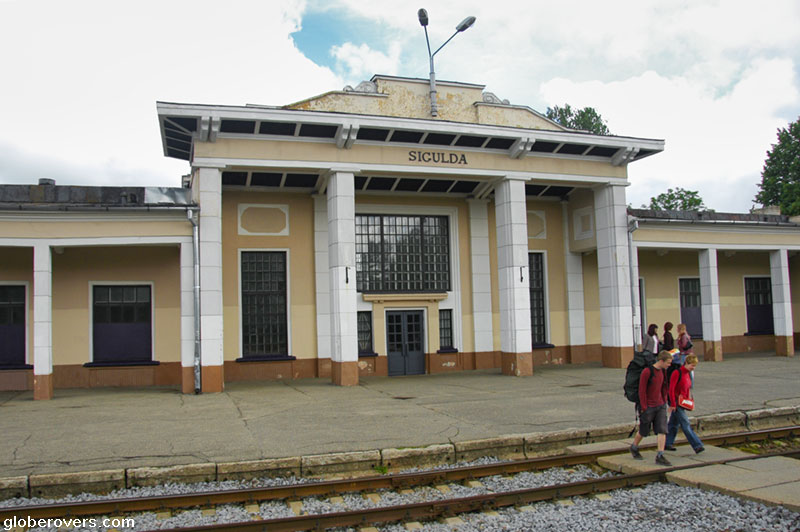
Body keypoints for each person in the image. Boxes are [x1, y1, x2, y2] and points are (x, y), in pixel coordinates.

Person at [630, 350, 673, 466]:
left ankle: (660, 455)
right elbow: (642, 390)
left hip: (660, 405)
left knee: (662, 430)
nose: (669, 365)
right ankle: (634, 446)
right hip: (648, 406)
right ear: (661, 361)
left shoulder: (663, 372)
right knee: (644, 431)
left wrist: (664, 400)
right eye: (668, 363)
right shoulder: (647, 372)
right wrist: (644, 407)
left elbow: (664, 386)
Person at [665, 354, 704, 453]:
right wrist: (673, 404)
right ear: (686, 363)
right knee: (685, 423)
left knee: (674, 423)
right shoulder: (677, 373)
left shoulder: (688, 373)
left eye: (694, 366)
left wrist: (688, 399)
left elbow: (687, 388)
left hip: (682, 402)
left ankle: (667, 443)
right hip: (676, 401)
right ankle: (697, 445)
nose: (693, 368)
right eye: (692, 365)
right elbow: (671, 389)